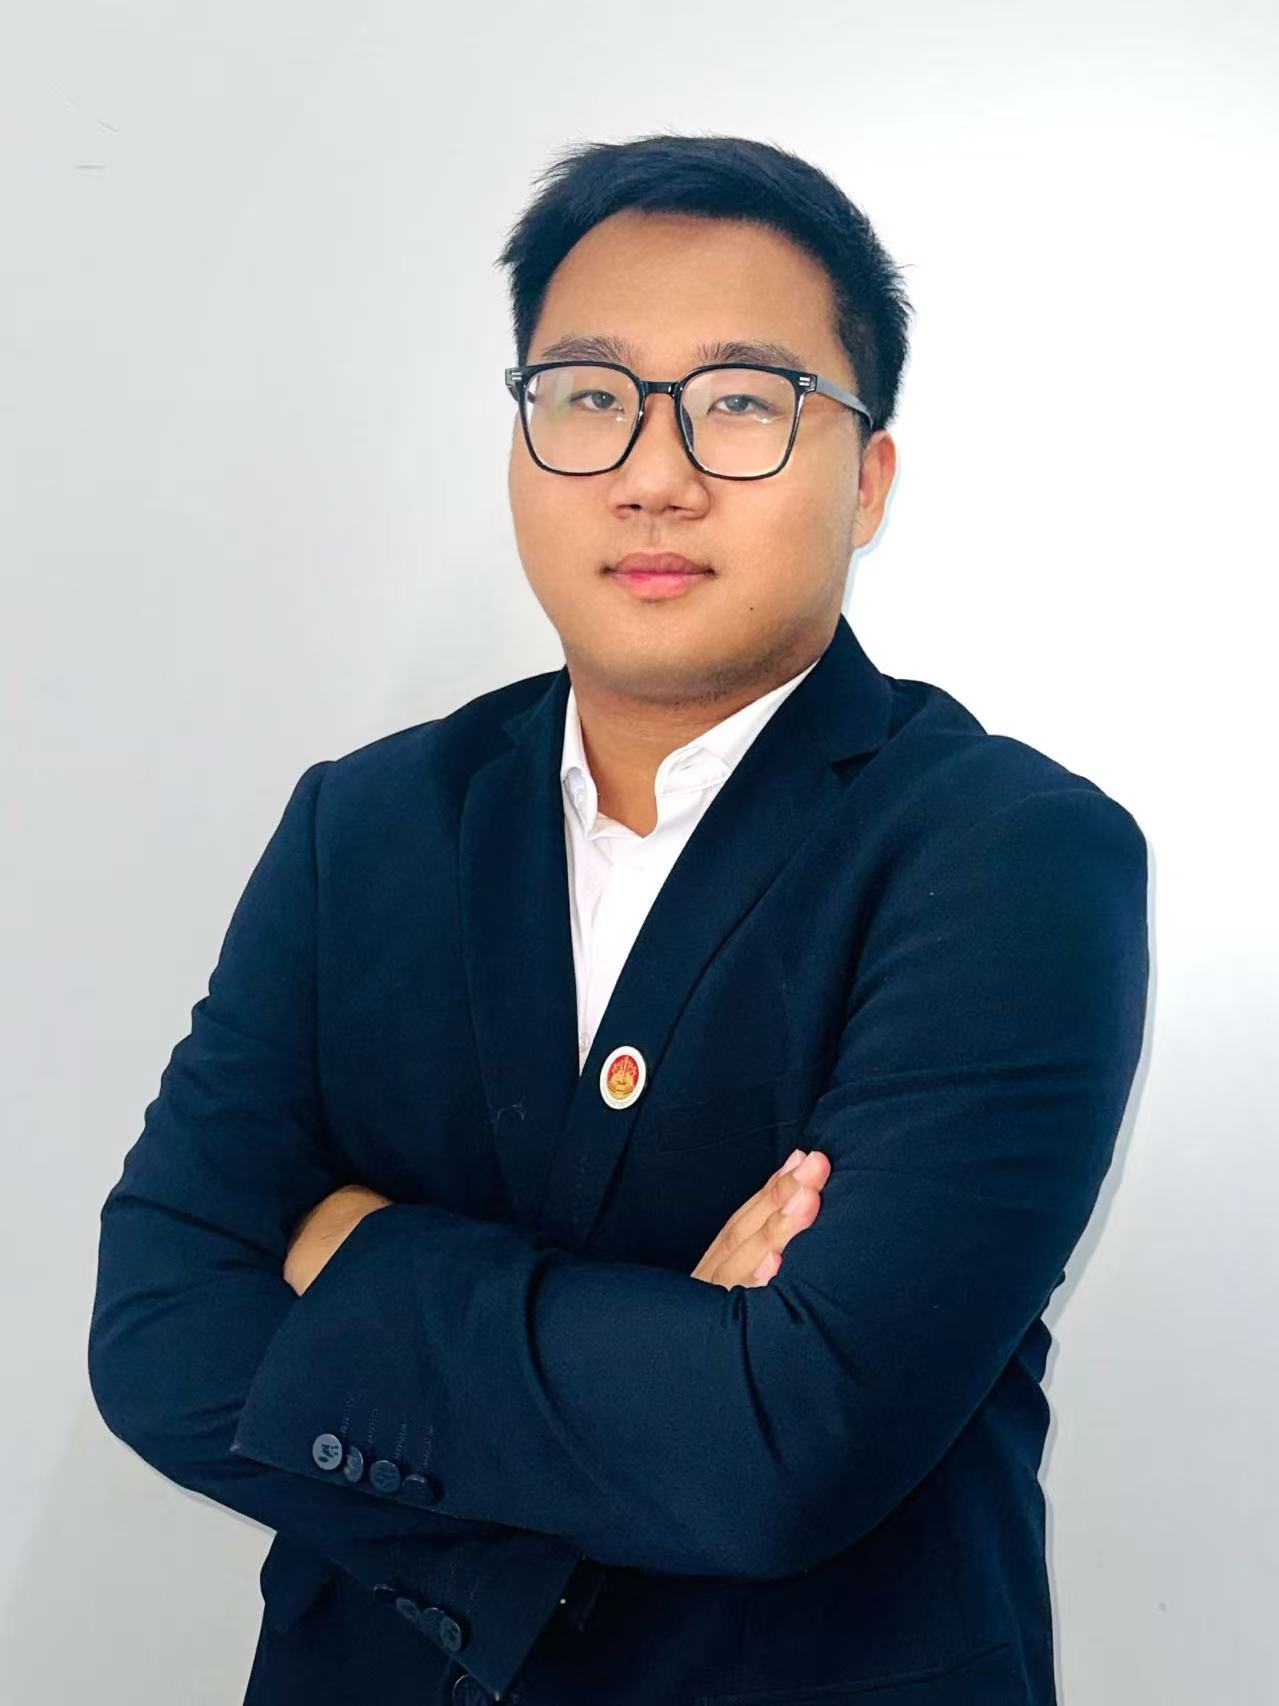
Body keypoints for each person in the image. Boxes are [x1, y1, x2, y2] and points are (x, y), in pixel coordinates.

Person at [88, 133, 1149, 1706]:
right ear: (523, 442)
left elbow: (784, 1447)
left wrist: (352, 1248)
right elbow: (157, 1329)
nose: (655, 472)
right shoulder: (359, 827)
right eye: (590, 396)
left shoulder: (1012, 858)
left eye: (743, 402)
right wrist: (666, 1380)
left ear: (868, 479)